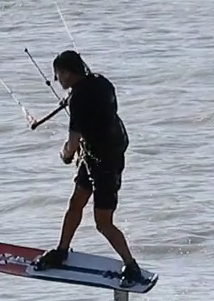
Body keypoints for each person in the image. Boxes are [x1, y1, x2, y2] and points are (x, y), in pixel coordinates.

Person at [32, 50, 144, 286]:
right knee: (76, 203)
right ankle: (62, 251)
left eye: (58, 75)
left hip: (106, 164)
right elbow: (97, 114)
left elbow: (72, 143)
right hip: (95, 156)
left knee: (103, 222)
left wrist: (65, 155)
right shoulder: (102, 82)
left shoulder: (79, 100)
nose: (57, 80)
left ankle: (132, 265)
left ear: (67, 72)